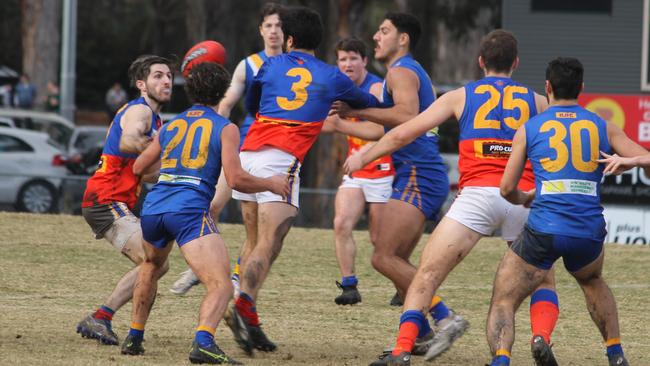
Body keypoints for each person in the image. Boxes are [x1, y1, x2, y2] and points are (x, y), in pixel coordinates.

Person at [346, 30, 563, 365]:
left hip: (476, 197)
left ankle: (403, 350)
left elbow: (405, 132)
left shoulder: (460, 96)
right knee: (543, 279)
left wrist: (365, 156)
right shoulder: (537, 101)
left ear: (480, 62)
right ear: (516, 63)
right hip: (521, 197)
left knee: (426, 275)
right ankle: (541, 337)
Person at [226, 6, 380, 356]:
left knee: (253, 242)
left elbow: (252, 102)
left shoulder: (270, 64)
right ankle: (243, 305)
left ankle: (249, 316)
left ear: (290, 39)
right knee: (269, 244)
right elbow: (368, 102)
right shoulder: (331, 75)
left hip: (250, 153)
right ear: (319, 42)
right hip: (281, 162)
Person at [120, 62, 289, 364]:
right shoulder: (226, 127)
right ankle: (204, 343)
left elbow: (137, 167)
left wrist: (172, 172)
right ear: (223, 92)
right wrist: (271, 184)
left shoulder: (170, 125)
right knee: (221, 284)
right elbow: (236, 179)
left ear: (191, 91)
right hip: (188, 211)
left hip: (154, 209)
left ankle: (134, 336)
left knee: (151, 265)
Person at [487, 57, 642, 366]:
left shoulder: (530, 128)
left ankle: (502, 360)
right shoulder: (603, 125)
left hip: (544, 228)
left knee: (504, 297)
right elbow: (646, 157)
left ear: (547, 87)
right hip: (588, 231)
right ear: (582, 88)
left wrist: (525, 197)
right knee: (593, 281)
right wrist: (632, 161)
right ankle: (616, 354)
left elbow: (506, 189)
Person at [331, 12, 464, 361]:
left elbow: (405, 118)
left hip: (418, 172)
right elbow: (387, 128)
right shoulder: (408, 70)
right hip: (419, 172)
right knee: (394, 257)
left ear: (402, 38)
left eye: (384, 30)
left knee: (383, 256)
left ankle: (445, 316)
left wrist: (361, 110)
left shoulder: (400, 70)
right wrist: (346, 123)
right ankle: (419, 334)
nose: (376, 36)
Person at [170, 2, 284, 297]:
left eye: (279, 26)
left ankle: (236, 278)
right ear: (261, 30)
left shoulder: (297, 68)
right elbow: (227, 102)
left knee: (257, 233)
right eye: (269, 25)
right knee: (210, 206)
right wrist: (211, 136)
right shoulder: (248, 65)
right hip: (241, 148)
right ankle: (200, 268)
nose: (274, 31)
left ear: (288, 32)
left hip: (275, 153)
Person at [76, 55, 172, 346]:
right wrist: (160, 152)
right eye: (157, 76)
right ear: (141, 84)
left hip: (113, 200)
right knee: (152, 260)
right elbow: (129, 140)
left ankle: (104, 317)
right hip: (105, 199)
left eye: (168, 76)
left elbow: (146, 171)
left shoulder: (155, 119)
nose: (166, 81)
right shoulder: (140, 112)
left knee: (158, 263)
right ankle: (102, 317)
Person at [320, 37, 392, 306]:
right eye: (342, 59)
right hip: (356, 169)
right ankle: (349, 286)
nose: (347, 64)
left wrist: (340, 125)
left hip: (385, 168)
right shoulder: (339, 88)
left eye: (353, 58)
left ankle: (402, 284)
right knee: (341, 223)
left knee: (380, 239)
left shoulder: (375, 87)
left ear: (364, 60)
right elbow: (328, 123)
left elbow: (380, 131)